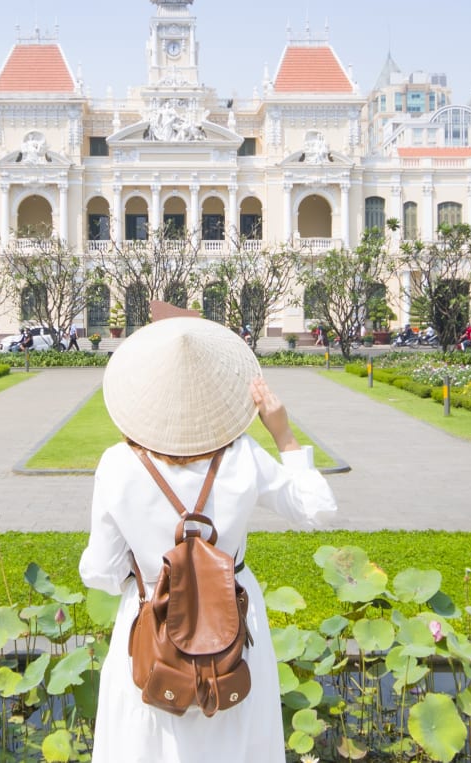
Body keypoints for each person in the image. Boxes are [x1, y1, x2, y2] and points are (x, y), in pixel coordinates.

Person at [79, 317, 337, 762]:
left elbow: (100, 572)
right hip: (232, 622)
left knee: (148, 739)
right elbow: (317, 508)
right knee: (234, 737)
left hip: (150, 619)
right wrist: (285, 435)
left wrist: (144, 563)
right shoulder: (243, 457)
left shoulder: (119, 464)